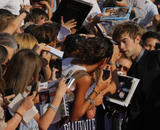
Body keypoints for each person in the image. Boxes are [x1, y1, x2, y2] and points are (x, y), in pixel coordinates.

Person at [112, 21, 160, 130]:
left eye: (124, 41)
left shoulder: (156, 57)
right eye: (118, 43)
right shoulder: (131, 70)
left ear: (137, 39)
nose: (121, 46)